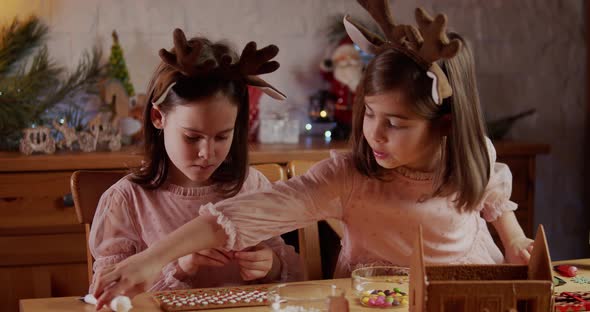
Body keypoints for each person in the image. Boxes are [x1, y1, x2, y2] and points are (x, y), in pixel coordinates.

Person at [92, 3, 534, 308]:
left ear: (446, 125)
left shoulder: (472, 155)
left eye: (395, 124)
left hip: (470, 296)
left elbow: (490, 190)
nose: (373, 135)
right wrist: (152, 260)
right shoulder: (347, 177)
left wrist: (514, 241)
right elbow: (238, 216)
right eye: (370, 115)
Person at [88, 28, 302, 296]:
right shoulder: (126, 201)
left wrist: (271, 265)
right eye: (192, 137)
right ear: (158, 118)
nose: (207, 153)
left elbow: (297, 279)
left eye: (222, 136)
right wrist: (179, 269)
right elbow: (110, 295)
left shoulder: (250, 187)